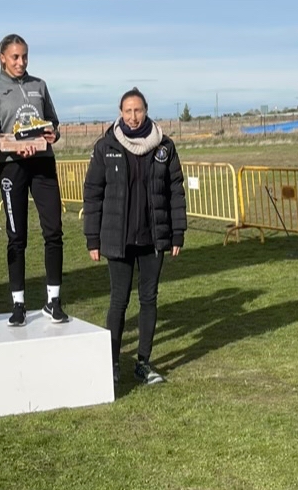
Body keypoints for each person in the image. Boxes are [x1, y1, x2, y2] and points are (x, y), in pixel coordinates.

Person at [82, 88, 187, 385]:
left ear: (146, 111)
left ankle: (143, 362)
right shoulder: (107, 146)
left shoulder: (163, 146)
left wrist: (177, 233)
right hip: (117, 239)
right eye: (127, 111)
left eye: (137, 110)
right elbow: (93, 193)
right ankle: (112, 363)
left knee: (149, 299)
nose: (132, 116)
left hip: (152, 238)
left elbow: (174, 191)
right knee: (119, 301)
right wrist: (93, 238)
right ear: (120, 112)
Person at [0, 34, 68, 326]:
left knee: (53, 231)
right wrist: (14, 146)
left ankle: (53, 301)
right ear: (2, 58)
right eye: (15, 57)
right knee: (17, 236)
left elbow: (53, 123)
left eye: (25, 57)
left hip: (43, 163)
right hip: (12, 167)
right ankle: (18, 304)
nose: (21, 62)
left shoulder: (39, 85)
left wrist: (53, 134)